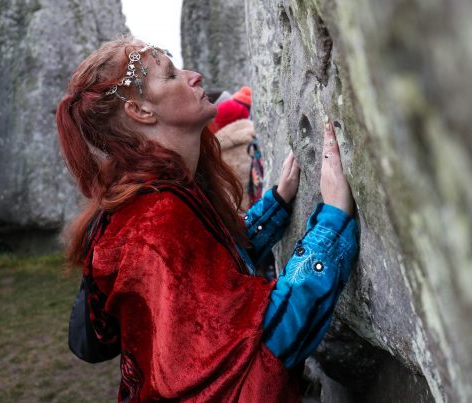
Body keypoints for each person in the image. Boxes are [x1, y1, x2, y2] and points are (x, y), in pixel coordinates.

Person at [56, 36, 358, 402]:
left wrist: (275, 205)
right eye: (171, 75)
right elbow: (265, 343)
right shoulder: (155, 220)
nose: (194, 76)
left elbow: (207, 276)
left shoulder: (159, 198)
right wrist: (332, 221)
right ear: (141, 112)